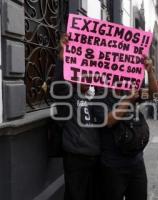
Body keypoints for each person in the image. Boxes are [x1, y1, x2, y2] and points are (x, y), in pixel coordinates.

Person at [94, 57, 158, 200]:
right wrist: (128, 100)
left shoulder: (130, 91)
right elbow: (109, 121)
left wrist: (150, 71)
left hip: (136, 163)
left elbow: (154, 95)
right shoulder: (100, 95)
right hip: (113, 165)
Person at [53, 35, 101, 200]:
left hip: (96, 156)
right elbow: (58, 84)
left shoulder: (98, 96)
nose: (86, 77)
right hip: (75, 156)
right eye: (83, 73)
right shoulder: (70, 94)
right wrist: (63, 52)